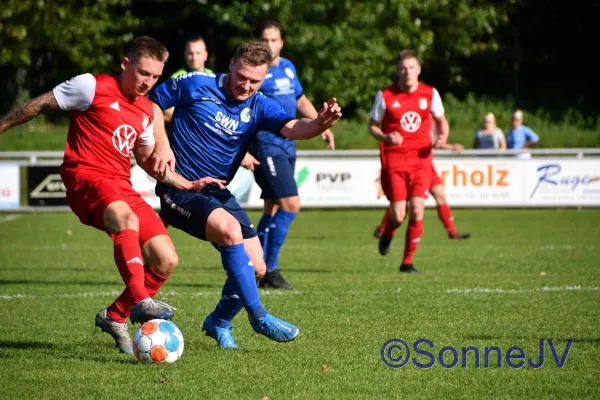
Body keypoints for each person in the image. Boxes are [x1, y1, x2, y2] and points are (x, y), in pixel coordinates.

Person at [0, 36, 223, 355]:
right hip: (85, 177)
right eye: (143, 73)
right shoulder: (91, 86)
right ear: (125, 64)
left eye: (155, 76)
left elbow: (147, 161)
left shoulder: (146, 111)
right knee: (126, 218)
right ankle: (141, 300)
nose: (148, 82)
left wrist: (186, 184)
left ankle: (115, 316)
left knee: (166, 259)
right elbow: (39, 105)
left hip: (121, 186)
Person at [149, 40, 342, 349]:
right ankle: (258, 315)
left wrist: (320, 123)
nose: (246, 86)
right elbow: (152, 103)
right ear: (231, 64)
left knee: (259, 268)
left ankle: (219, 322)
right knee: (230, 231)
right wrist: (161, 142)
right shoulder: (195, 83)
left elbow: (293, 127)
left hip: (218, 192)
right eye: (242, 77)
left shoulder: (259, 104)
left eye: (255, 81)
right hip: (180, 188)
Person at [248, 19, 335, 290]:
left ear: (281, 42)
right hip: (266, 144)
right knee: (291, 204)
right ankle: (270, 269)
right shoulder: (254, 73)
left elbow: (300, 99)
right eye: (265, 40)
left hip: (288, 144)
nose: (269, 44)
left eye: (274, 39)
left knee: (273, 207)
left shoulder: (288, 67)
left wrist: (320, 124)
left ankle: (254, 268)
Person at [368, 49, 449, 273]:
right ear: (398, 71)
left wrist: (443, 137)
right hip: (394, 161)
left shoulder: (430, 93)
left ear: (419, 69)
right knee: (398, 214)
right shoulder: (385, 95)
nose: (408, 72)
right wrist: (386, 137)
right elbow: (372, 126)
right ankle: (388, 232)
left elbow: (442, 121)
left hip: (421, 161)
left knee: (417, 209)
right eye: (403, 68)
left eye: (412, 68)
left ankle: (407, 262)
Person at [374, 140, 471, 240]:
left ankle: (453, 232)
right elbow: (424, 141)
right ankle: (383, 229)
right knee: (402, 202)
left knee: (440, 194)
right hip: (411, 165)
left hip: (426, 165)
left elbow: (429, 140)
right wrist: (450, 146)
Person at [165, 36, 213, 124]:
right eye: (190, 53)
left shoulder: (212, 76)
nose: (194, 58)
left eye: (198, 53)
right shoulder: (177, 78)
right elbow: (164, 110)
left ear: (205, 55)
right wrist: (190, 123)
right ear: (185, 55)